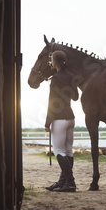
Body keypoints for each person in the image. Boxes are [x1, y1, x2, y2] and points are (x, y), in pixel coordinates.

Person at [44, 50, 79, 192]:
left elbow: (51, 102)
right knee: (68, 151)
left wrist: (47, 122)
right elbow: (76, 97)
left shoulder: (55, 78)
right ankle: (62, 182)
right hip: (71, 118)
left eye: (52, 60)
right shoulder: (71, 76)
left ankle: (70, 183)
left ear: (55, 62)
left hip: (59, 118)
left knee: (58, 151)